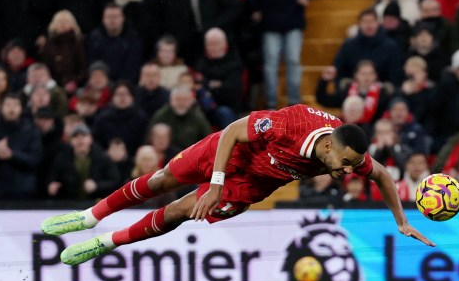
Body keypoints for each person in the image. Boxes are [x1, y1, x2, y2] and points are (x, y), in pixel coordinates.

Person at [41, 105, 434, 265]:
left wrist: (400, 221)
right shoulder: (290, 124)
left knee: (180, 211)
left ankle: (105, 242)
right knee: (163, 179)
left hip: (253, 184)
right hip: (228, 153)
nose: (349, 171)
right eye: (346, 163)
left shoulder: (351, 154)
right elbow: (232, 131)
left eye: (352, 166)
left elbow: (381, 174)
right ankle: (90, 216)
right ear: (330, 144)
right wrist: (214, 181)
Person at [46, 123, 120, 200]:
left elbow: (115, 181)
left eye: (84, 136)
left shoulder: (102, 157)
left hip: (95, 203)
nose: (80, 140)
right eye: (76, 136)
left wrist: (97, 186)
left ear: (90, 139)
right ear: (71, 141)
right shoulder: (62, 158)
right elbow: (52, 178)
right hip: (69, 204)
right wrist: (52, 186)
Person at [0, 93, 42, 199]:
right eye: (8, 105)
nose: (11, 109)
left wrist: (12, 155)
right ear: (1, 108)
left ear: (21, 108)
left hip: (24, 192)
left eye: (15, 105)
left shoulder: (31, 131)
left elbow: (35, 159)